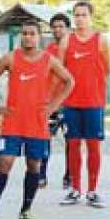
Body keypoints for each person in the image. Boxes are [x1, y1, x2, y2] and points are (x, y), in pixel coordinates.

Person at [0, 21, 74, 219]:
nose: (27, 37)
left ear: (39, 37)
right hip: (13, 122)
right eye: (24, 33)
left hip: (37, 124)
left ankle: (26, 210)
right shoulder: (11, 58)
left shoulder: (49, 60)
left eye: (31, 33)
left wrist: (53, 107)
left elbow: (69, 81)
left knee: (34, 166)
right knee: (5, 163)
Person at [58, 1, 110, 208]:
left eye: (83, 14)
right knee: (72, 146)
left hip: (93, 103)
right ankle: (75, 189)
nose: (79, 18)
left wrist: (94, 89)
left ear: (91, 17)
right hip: (71, 102)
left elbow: (106, 69)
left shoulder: (101, 40)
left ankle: (92, 190)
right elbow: (60, 71)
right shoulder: (66, 41)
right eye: (76, 14)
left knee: (94, 147)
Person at [40, 12, 71, 189]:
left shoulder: (74, 50)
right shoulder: (48, 51)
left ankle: (69, 175)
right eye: (55, 27)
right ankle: (41, 175)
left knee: (71, 141)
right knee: (45, 139)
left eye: (61, 26)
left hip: (70, 102)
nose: (57, 30)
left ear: (68, 29)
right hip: (51, 102)